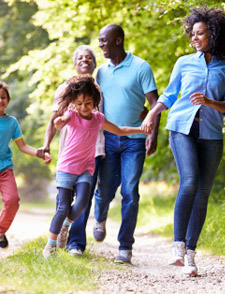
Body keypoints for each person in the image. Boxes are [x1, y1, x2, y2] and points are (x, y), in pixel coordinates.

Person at [141, 6, 225, 276]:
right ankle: (177, 245)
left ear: (214, 34)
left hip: (211, 134)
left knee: (203, 193)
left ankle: (191, 255)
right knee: (190, 182)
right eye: (192, 34)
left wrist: (209, 101)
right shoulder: (184, 62)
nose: (194, 38)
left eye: (200, 34)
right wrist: (152, 113)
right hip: (181, 128)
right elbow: (170, 95)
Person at [42, 74, 149, 258]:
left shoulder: (98, 118)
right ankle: (50, 245)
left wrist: (140, 129)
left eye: (88, 103)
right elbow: (60, 122)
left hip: (85, 168)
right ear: (74, 103)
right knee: (63, 207)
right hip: (67, 168)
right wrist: (58, 122)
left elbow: (119, 130)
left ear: (95, 102)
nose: (84, 107)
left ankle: (66, 225)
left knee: (83, 202)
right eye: (80, 103)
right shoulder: (72, 115)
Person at [93, 24, 160, 264]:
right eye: (99, 41)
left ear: (118, 41)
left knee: (130, 191)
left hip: (135, 140)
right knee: (105, 190)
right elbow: (95, 106)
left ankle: (125, 248)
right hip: (110, 139)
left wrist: (153, 134)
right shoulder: (100, 72)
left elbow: (154, 104)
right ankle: (99, 218)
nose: (100, 45)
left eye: (104, 41)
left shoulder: (141, 67)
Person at [39, 45, 105, 257]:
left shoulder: (98, 89)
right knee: (64, 204)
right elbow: (56, 120)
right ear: (74, 63)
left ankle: (73, 238)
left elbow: (106, 122)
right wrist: (47, 145)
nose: (85, 61)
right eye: (80, 58)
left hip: (94, 152)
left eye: (89, 57)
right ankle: (61, 242)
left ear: (94, 63)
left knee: (84, 200)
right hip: (70, 155)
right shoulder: (65, 89)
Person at [0, 81, 50, 259]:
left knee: (13, 200)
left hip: (4, 167)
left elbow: (22, 146)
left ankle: (0, 230)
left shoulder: (12, 122)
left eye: (3, 97)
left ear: (8, 100)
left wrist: (40, 153)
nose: (0, 100)